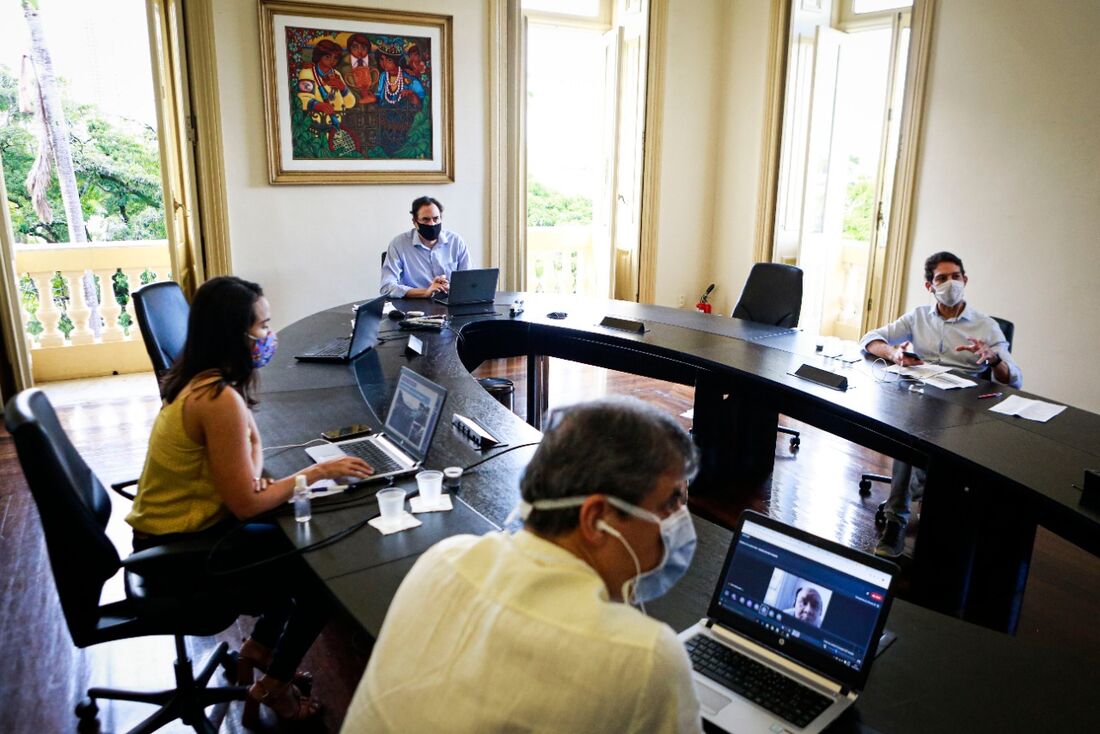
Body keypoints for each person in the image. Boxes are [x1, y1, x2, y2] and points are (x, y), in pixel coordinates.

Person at [342, 398, 703, 733]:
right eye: (670, 502)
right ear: (595, 518)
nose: (679, 521)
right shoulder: (644, 658)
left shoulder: (444, 559)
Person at [126, 276, 374, 722]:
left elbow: (248, 474)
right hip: (181, 554)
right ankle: (274, 687)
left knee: (289, 537)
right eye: (262, 327)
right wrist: (317, 472)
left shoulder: (200, 381)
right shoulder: (216, 399)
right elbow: (247, 504)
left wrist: (273, 477)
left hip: (173, 535)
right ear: (231, 335)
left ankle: (260, 647)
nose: (269, 336)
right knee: (319, 566)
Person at [860, 251, 1022, 557]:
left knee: (917, 440)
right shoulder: (918, 317)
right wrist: (894, 354)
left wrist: (994, 358)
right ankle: (898, 518)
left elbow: (1014, 378)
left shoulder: (985, 327)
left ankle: (910, 509)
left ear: (965, 280)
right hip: (922, 399)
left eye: (956, 276)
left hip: (964, 409)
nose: (951, 283)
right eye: (941, 278)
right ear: (929, 286)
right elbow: (870, 338)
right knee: (911, 433)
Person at [379, 195, 470, 298]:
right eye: (426, 219)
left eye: (436, 219)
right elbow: (386, 287)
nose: (432, 224)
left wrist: (450, 286)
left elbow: (469, 281)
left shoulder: (455, 241)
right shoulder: (399, 244)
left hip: (450, 302)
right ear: (415, 222)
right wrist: (426, 291)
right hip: (414, 306)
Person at [297, 39, 356, 151]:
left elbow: (351, 102)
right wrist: (319, 105)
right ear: (319, 56)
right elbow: (303, 100)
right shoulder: (308, 73)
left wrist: (342, 88)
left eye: (335, 58)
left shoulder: (336, 74)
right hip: (315, 127)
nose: (332, 61)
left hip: (336, 127)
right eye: (327, 57)